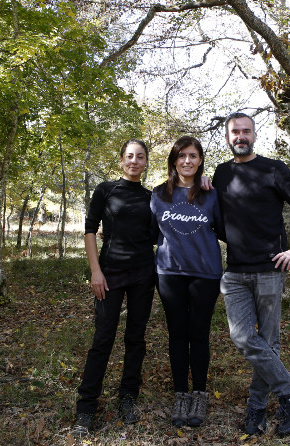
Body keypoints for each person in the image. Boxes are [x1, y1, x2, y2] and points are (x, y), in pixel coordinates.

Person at [212, 112, 290, 437]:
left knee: (268, 343)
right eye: (235, 132)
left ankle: (256, 410)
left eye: (245, 131)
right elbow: (211, 217)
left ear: (254, 135)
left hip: (271, 270)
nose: (240, 136)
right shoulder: (221, 173)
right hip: (236, 273)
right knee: (244, 337)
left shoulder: (273, 169)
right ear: (228, 137)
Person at [72, 139, 155, 438]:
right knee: (103, 337)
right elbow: (90, 228)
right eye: (129, 156)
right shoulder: (105, 190)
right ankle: (86, 408)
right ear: (121, 160)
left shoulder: (152, 196)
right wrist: (96, 271)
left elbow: (160, 232)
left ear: (146, 162)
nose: (134, 161)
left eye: (140, 156)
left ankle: (128, 398)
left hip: (144, 274)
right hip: (110, 273)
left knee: (136, 337)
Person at [150, 136, 223, 428]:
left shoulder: (211, 194)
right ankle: (181, 393)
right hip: (169, 273)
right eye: (182, 156)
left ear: (201, 160)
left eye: (193, 156)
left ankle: (199, 393)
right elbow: (149, 232)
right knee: (177, 333)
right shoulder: (158, 194)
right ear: (174, 160)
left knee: (199, 333)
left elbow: (227, 227)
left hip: (205, 273)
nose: (187, 161)